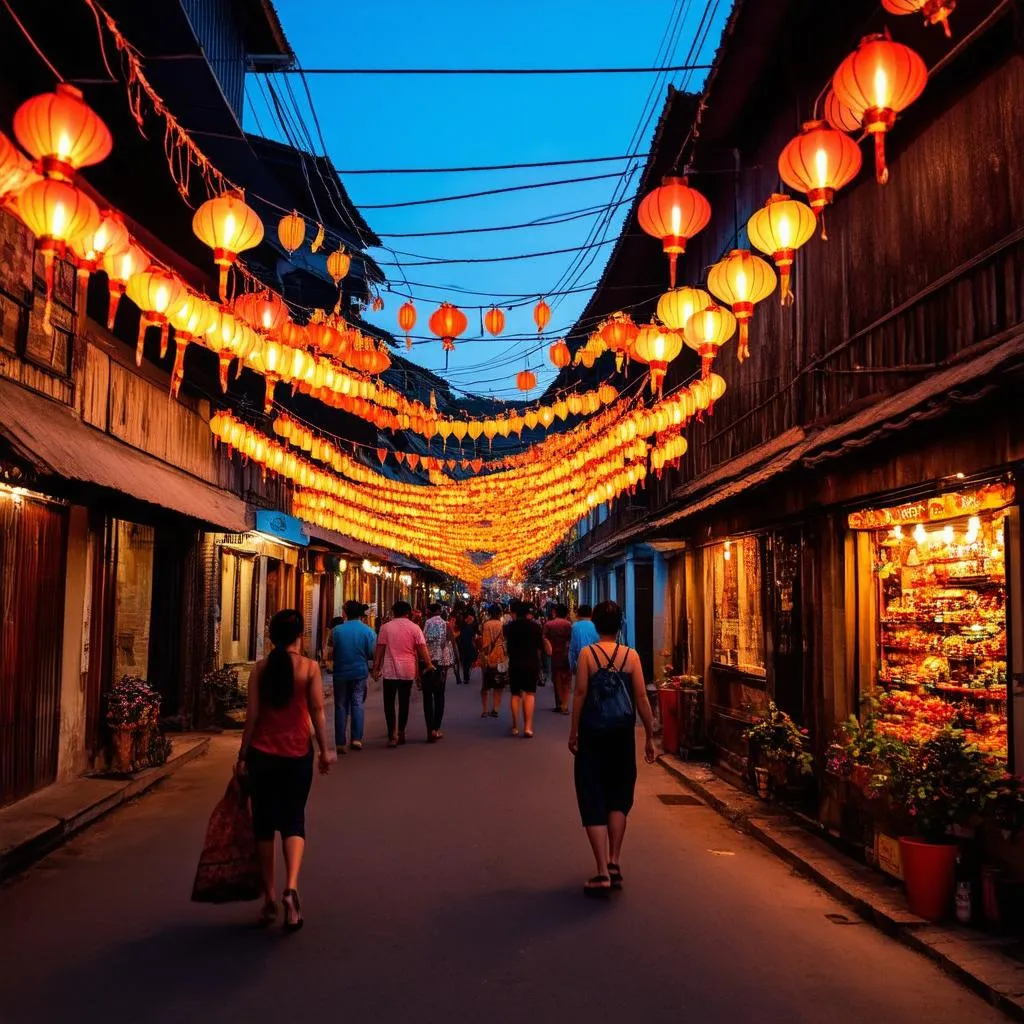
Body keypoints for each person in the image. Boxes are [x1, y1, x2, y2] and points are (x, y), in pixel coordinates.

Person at [237, 609, 331, 931]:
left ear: (271, 636)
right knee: (293, 820)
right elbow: (317, 711)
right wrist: (324, 751)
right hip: (297, 754)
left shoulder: (260, 669)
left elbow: (251, 717)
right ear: (299, 637)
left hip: (262, 755)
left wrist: (242, 755)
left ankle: (269, 897)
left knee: (263, 824)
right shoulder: (309, 668)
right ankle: (292, 888)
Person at [568, 600, 655, 897]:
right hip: (622, 734)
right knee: (619, 795)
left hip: (592, 733)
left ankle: (602, 871)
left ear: (595, 624)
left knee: (592, 794)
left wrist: (573, 731)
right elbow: (642, 698)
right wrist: (650, 735)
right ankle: (614, 861)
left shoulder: (587, 655)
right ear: (620, 625)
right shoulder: (631, 657)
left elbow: (579, 693)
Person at [372, 600, 434, 747]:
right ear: (409, 612)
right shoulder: (415, 628)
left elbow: (380, 649)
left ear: (394, 612)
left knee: (389, 703)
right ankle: (401, 731)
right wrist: (429, 664)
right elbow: (422, 648)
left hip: (390, 670)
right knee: (404, 702)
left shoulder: (385, 627)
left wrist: (376, 667)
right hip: (408, 670)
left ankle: (391, 734)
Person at [327, 601, 376, 752]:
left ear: (346, 613)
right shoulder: (368, 631)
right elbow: (372, 654)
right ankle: (356, 739)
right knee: (357, 703)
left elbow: (328, 653)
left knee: (341, 706)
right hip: (359, 672)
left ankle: (340, 742)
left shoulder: (336, 631)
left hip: (340, 672)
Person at [503, 600, 545, 738]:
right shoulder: (535, 627)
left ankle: (515, 726)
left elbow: (507, 646)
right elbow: (541, 646)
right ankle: (528, 727)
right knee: (530, 694)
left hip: (515, 663)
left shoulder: (510, 627)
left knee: (515, 694)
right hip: (531, 663)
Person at [422, 603, 454, 741]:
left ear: (429, 611)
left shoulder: (427, 624)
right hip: (441, 664)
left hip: (427, 663)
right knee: (439, 696)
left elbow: (423, 642)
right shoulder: (446, 625)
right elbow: (449, 644)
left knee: (427, 697)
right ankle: (436, 728)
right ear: (440, 612)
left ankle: (430, 729)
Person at [478, 603, 507, 718]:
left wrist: (483, 654)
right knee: (498, 684)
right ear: (500, 613)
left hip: (488, 657)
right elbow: (504, 640)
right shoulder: (502, 625)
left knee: (485, 685)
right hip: (499, 656)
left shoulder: (485, 625)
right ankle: (495, 708)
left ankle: (485, 710)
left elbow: (485, 643)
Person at [544, 604, 574, 714]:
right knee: (566, 681)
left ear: (555, 612)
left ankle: (559, 704)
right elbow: (572, 640)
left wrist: (549, 650)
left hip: (554, 655)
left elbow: (544, 639)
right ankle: (565, 705)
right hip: (566, 655)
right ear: (566, 614)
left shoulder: (549, 624)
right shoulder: (569, 625)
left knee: (557, 680)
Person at [569, 604, 600, 676]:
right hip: (595, 663)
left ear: (578, 614)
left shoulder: (574, 627)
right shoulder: (596, 626)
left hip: (580, 663)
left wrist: (572, 665)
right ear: (591, 614)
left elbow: (572, 648)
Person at [457, 609, 479, 688]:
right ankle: (466, 676)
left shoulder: (463, 626)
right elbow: (474, 638)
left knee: (465, 661)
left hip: (462, 646)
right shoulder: (470, 627)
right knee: (468, 662)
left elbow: (459, 636)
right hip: (469, 646)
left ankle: (465, 676)